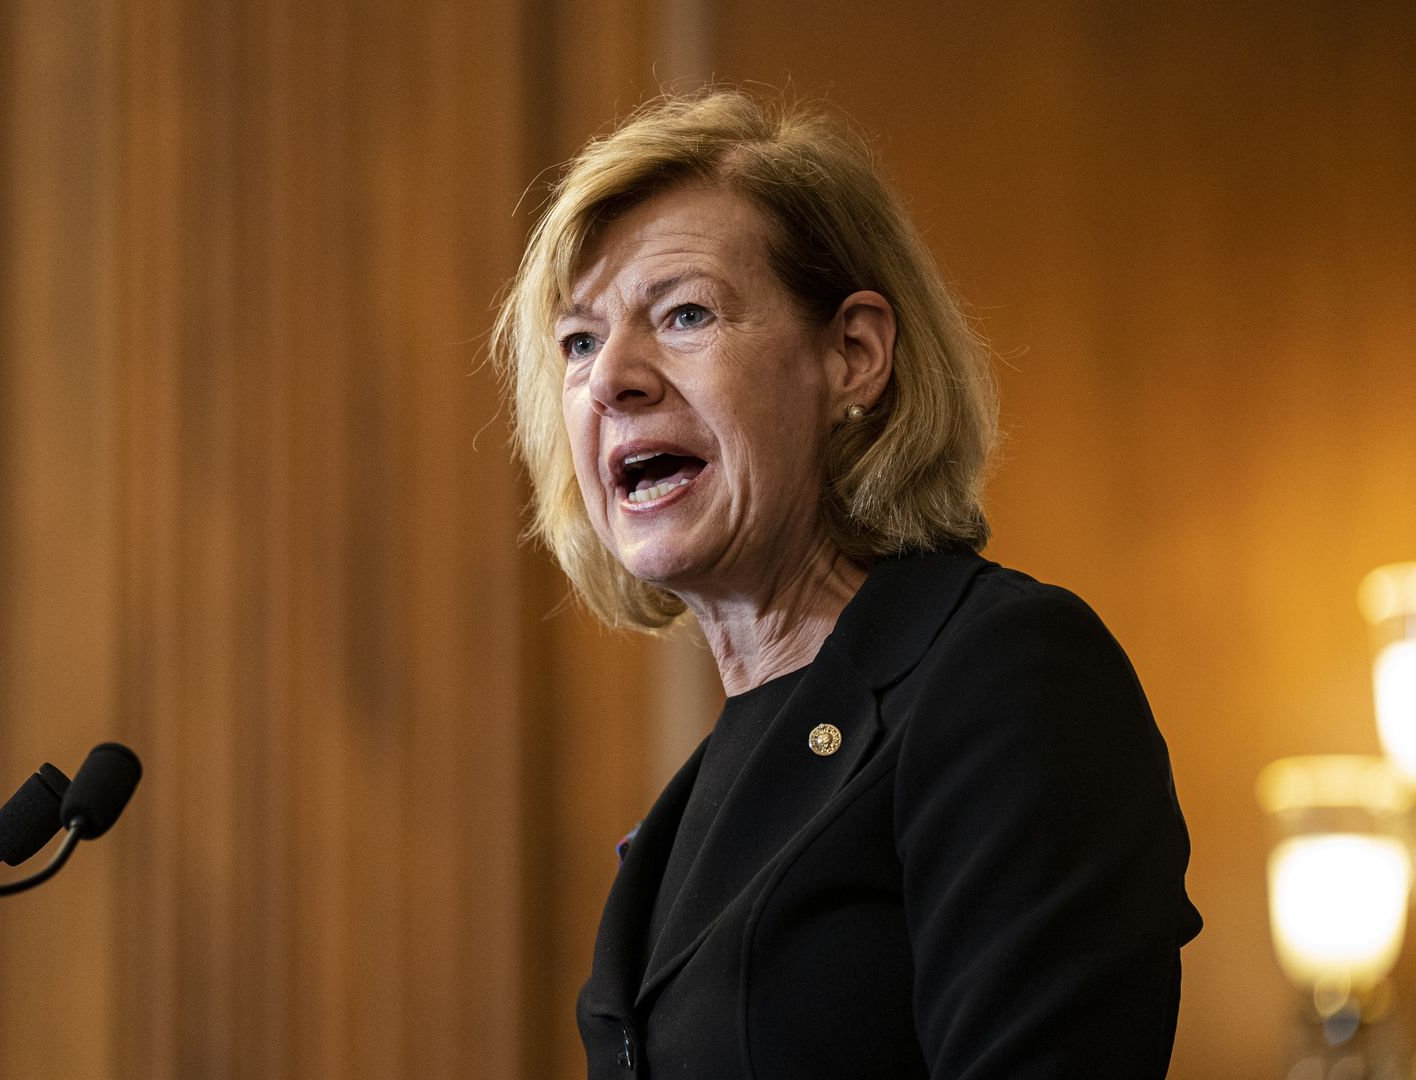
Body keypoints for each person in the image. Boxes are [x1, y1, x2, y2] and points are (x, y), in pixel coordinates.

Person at [491, 88, 1202, 1079]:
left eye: (684, 312)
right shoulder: (679, 819)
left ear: (852, 354)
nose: (611, 378)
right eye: (578, 342)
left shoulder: (1005, 679)